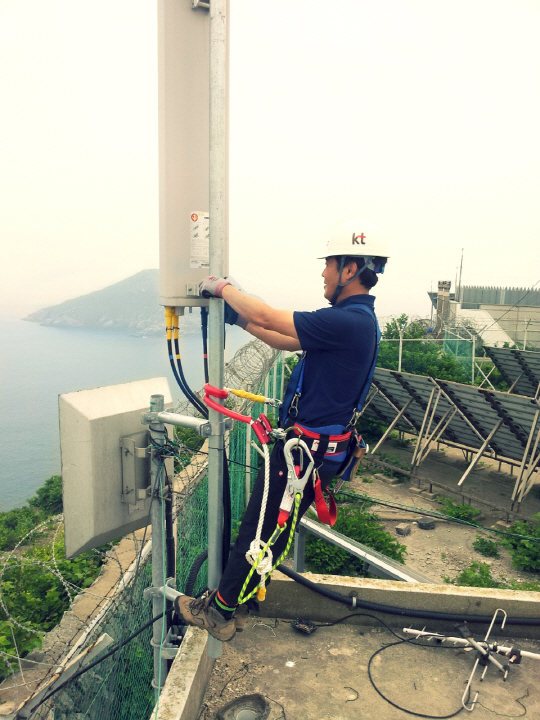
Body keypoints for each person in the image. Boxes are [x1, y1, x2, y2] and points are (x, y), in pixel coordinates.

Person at [174, 219, 390, 640]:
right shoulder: (351, 320)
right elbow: (283, 339)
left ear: (349, 269)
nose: (323, 274)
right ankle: (245, 595)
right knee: (272, 526)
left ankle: (218, 612)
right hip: (315, 452)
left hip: (304, 455)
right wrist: (236, 318)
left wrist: (220, 287)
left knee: (258, 526)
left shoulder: (348, 322)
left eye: (329, 265)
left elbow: (269, 315)